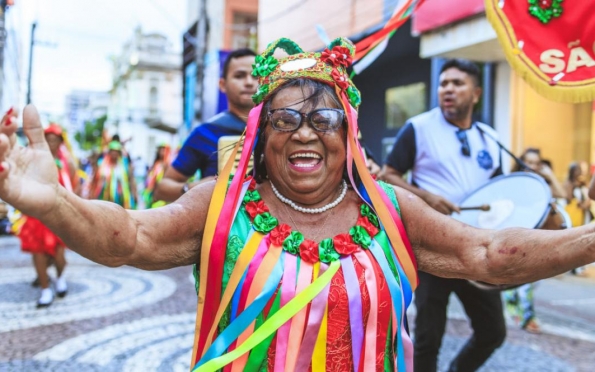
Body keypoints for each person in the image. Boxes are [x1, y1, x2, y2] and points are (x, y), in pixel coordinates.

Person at [3, 38, 595, 371]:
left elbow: (490, 253)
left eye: (324, 118)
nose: (306, 132)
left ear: (350, 135)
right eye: (285, 119)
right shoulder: (222, 204)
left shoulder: (390, 209)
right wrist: (54, 204)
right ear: (261, 137)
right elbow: (130, 236)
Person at [379, 58, 505, 372]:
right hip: (433, 246)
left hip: (478, 248)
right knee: (428, 337)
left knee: (493, 331)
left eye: (457, 84)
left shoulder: (490, 137)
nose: (447, 90)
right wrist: (427, 198)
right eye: (443, 84)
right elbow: (387, 174)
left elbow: (501, 189)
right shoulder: (419, 127)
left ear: (476, 94)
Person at [153, 49, 258, 202]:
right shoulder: (204, 133)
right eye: (239, 76)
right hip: (217, 224)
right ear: (223, 84)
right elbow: (162, 189)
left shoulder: (278, 130)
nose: (249, 82)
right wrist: (192, 188)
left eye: (256, 76)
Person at [13, 123, 79, 307]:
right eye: (48, 139)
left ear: (60, 142)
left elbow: (75, 187)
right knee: (38, 254)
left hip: (60, 215)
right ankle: (45, 289)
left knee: (59, 257)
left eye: (54, 140)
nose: (51, 143)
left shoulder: (68, 163)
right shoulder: (33, 160)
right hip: (38, 215)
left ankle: (59, 278)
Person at [503, 148, 566, 333]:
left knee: (528, 278)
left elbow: (563, 194)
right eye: (528, 161)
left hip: (535, 235)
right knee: (517, 277)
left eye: (535, 163)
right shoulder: (513, 181)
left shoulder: (542, 184)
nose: (531, 166)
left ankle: (519, 313)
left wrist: (549, 175)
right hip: (514, 234)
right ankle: (524, 316)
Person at [88, 140, 137, 209]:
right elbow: (95, 179)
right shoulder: (102, 164)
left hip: (119, 200)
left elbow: (130, 180)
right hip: (103, 199)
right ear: (109, 152)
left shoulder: (124, 166)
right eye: (113, 151)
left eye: (116, 151)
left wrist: (134, 194)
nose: (114, 153)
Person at [143, 143, 171, 208]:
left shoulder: (168, 164)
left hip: (161, 192)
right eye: (160, 149)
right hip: (152, 191)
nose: (162, 152)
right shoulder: (155, 163)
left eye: (164, 150)